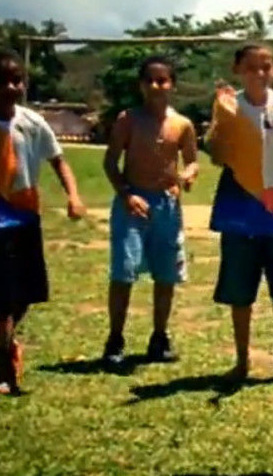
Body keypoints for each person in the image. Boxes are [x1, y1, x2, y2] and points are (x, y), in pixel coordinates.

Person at [0, 49, 86, 395]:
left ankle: (3, 340)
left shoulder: (32, 123)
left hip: (27, 220)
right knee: (1, 297)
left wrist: (74, 196)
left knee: (27, 293)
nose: (11, 87)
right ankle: (6, 366)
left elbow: (58, 160)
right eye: (2, 81)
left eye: (17, 80)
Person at [205, 44, 273, 385]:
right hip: (239, 207)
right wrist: (223, 121)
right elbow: (218, 157)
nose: (259, 74)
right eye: (251, 68)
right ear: (238, 70)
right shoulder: (228, 105)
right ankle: (242, 361)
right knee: (241, 293)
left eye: (265, 67)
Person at [101, 56, 199, 367]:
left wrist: (188, 175)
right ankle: (115, 339)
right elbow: (110, 162)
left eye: (163, 80)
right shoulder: (128, 119)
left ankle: (160, 337)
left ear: (173, 84)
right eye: (150, 80)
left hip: (167, 207)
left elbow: (193, 160)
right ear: (141, 85)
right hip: (133, 204)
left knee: (166, 274)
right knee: (124, 272)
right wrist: (127, 195)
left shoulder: (182, 124)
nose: (156, 86)